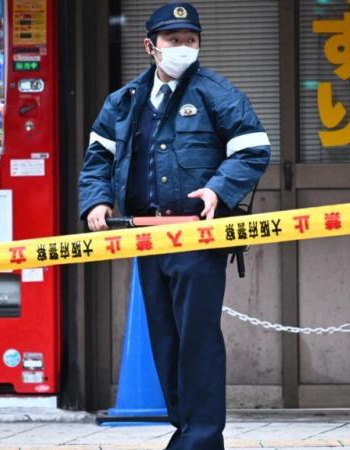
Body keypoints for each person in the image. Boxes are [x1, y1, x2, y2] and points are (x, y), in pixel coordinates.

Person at [78, 3, 270, 449]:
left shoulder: (215, 93)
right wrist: (97, 200)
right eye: (173, 40)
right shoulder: (123, 102)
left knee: (196, 342)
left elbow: (253, 149)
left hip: (198, 238)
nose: (183, 47)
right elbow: (98, 161)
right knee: (165, 340)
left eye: (190, 40)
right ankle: (186, 431)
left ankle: (201, 438)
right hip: (146, 237)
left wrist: (218, 190)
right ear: (151, 46)